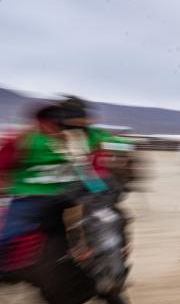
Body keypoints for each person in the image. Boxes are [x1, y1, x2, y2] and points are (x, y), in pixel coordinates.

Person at [0, 99, 110, 268]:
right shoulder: (23, 140)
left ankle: (107, 268)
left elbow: (96, 163)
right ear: (41, 122)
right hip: (33, 197)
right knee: (8, 236)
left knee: (106, 223)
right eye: (51, 121)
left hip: (72, 196)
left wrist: (101, 189)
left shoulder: (81, 139)